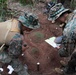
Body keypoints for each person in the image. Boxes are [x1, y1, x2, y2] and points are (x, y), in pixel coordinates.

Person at [45, 2, 76, 75]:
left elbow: (67, 52)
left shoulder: (69, 30)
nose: (55, 22)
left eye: (55, 20)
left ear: (58, 17)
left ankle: (67, 72)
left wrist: (59, 50)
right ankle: (69, 66)